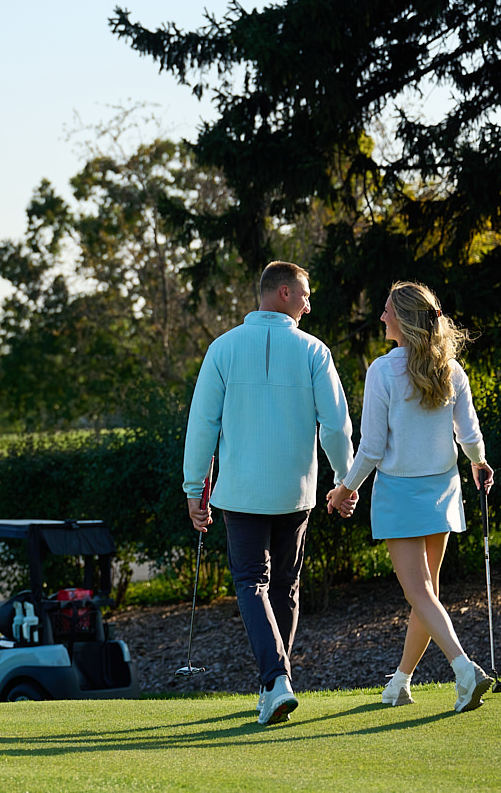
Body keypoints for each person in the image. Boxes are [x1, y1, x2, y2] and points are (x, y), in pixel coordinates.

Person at [184, 261, 357, 725]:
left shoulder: (222, 348)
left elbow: (202, 425)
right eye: (304, 293)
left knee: (251, 584)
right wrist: (345, 479)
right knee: (284, 586)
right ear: (282, 293)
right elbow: (336, 425)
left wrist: (193, 488)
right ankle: (275, 683)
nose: (308, 302)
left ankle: (275, 681)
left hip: (240, 493)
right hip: (294, 493)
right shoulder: (313, 351)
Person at [326, 280, 496, 713]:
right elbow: (471, 436)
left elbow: (372, 448)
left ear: (402, 318)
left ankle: (464, 670)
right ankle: (399, 683)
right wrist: (479, 463)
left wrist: (344, 489)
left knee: (420, 593)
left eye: (386, 310)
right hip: (441, 488)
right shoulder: (451, 368)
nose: (381, 317)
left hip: (401, 492)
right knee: (427, 594)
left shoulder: (382, 370)